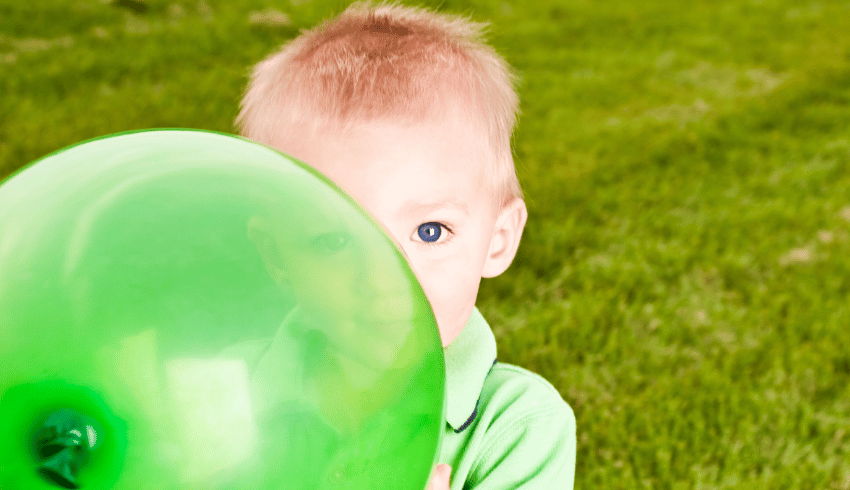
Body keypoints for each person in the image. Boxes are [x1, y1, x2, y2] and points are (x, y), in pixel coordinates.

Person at [235, 1, 577, 488]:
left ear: (498, 241)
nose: (386, 279)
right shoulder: (234, 397)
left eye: (430, 231)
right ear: (277, 255)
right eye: (334, 239)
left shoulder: (517, 428)